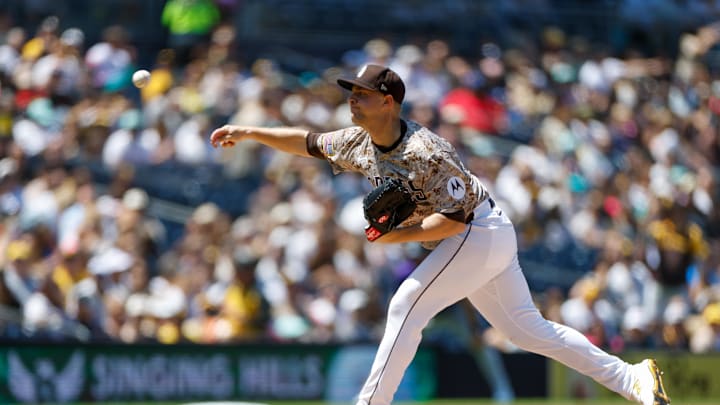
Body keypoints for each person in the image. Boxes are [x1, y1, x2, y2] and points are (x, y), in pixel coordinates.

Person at [210, 64, 670, 405]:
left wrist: (395, 237)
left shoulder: (426, 150)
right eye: (351, 93)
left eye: (362, 94)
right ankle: (633, 380)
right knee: (528, 330)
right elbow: (306, 142)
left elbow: (455, 219)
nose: (352, 100)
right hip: (480, 236)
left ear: (388, 101)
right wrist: (249, 131)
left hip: (476, 232)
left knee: (406, 304)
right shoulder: (356, 140)